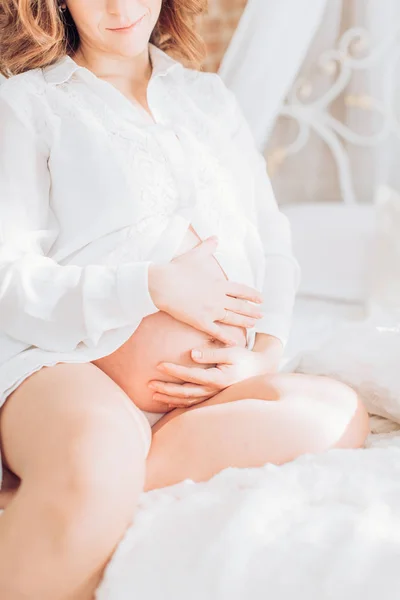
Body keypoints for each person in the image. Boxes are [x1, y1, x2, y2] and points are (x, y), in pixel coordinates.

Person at [0, 0, 370, 598]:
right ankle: (93, 469)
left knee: (337, 413)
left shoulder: (208, 98)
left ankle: (82, 479)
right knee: (96, 451)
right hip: (71, 363)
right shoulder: (27, 103)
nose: (120, 8)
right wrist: (151, 285)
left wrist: (265, 354)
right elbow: (8, 279)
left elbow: (273, 243)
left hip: (203, 398)